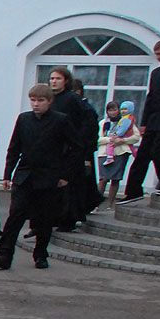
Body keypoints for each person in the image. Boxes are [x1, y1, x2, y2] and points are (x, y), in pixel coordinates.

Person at [0, 84, 75, 270]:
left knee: (44, 219)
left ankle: (41, 255)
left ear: (49, 101)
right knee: (15, 216)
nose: (36, 104)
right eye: (33, 100)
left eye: (40, 100)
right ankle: (4, 255)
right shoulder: (24, 119)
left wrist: (65, 174)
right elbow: (14, 147)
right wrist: (7, 173)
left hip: (48, 177)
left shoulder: (61, 120)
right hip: (25, 175)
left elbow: (74, 148)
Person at [46, 66, 103, 229]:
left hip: (71, 149)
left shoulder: (72, 99)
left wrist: (80, 141)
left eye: (58, 78)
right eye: (52, 78)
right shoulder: (50, 99)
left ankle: (68, 219)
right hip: (55, 149)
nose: (54, 81)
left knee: (70, 186)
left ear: (66, 81)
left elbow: (89, 118)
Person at [122, 38, 160, 201]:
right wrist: (144, 122)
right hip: (154, 121)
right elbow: (150, 98)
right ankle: (133, 191)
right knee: (142, 156)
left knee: (159, 154)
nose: (158, 57)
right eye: (156, 54)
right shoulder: (157, 73)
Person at [97, 101, 140, 207]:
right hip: (104, 153)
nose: (112, 112)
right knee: (103, 179)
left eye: (115, 110)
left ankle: (110, 204)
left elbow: (136, 137)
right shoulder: (103, 123)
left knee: (115, 179)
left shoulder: (126, 121)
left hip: (121, 153)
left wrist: (123, 140)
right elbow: (97, 139)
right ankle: (95, 203)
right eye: (110, 110)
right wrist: (110, 139)